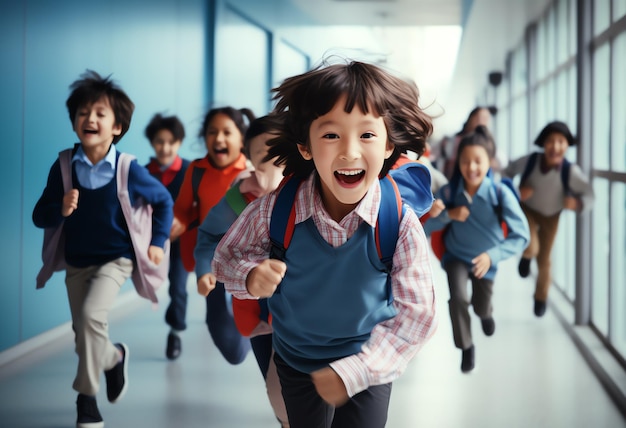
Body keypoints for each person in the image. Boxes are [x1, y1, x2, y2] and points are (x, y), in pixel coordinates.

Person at [212, 60, 438, 428]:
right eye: (331, 135)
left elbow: (418, 316)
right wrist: (251, 276)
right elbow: (226, 259)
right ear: (305, 146)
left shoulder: (397, 223)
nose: (349, 152)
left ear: (388, 146)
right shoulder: (275, 211)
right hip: (297, 360)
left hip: (367, 361)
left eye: (366, 135)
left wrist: (356, 371)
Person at [32, 70, 173, 428]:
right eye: (82, 112)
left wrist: (158, 243)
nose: (89, 119)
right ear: (74, 122)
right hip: (77, 262)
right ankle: (113, 357)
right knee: (84, 334)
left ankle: (86, 401)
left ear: (117, 128)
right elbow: (39, 215)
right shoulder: (64, 166)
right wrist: (60, 208)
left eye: (99, 113)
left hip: (117, 259)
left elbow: (163, 201)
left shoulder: (129, 168)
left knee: (93, 316)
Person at [194, 115, 288, 427]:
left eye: (281, 153)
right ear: (249, 158)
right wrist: (204, 270)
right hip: (258, 313)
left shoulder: (314, 191)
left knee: (301, 390)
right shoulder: (239, 198)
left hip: (301, 312)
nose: (274, 162)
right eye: (264, 155)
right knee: (277, 392)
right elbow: (208, 236)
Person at [423, 125, 529, 373]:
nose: (471, 167)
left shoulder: (500, 193)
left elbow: (521, 235)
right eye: (465, 161)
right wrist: (447, 214)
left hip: (486, 261)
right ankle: (466, 346)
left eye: (478, 161)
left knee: (481, 306)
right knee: (458, 298)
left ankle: (486, 313)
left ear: (490, 162)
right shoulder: (449, 192)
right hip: (455, 256)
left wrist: (492, 256)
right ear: (458, 161)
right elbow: (425, 230)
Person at [169, 106, 254, 360]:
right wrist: (177, 223)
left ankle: (255, 335)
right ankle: (243, 345)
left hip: (248, 256)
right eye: (212, 132)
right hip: (211, 255)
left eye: (227, 132)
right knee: (220, 326)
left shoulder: (251, 172)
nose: (218, 138)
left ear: (241, 138)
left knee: (251, 312)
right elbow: (183, 210)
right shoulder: (196, 171)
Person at [502, 121, 594, 317]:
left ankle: (540, 298)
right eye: (551, 141)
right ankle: (526, 257)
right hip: (526, 209)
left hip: (552, 216)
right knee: (531, 246)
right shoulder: (531, 161)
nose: (555, 146)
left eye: (561, 141)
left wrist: (577, 204)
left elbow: (589, 194)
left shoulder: (570, 171)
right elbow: (507, 172)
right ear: (543, 143)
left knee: (544, 260)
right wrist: (516, 192)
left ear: (567, 145)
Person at [144, 113, 190, 360]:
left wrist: (184, 224)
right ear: (152, 143)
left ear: (179, 142)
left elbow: (200, 207)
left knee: (178, 287)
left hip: (181, 242)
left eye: (170, 141)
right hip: (151, 242)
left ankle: (175, 332)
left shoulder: (189, 170)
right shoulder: (142, 173)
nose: (164, 147)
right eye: (159, 141)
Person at [439, 106, 493, 179]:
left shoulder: (487, 142)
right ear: (471, 118)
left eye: (486, 119)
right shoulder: (454, 140)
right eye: (480, 118)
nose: (482, 122)